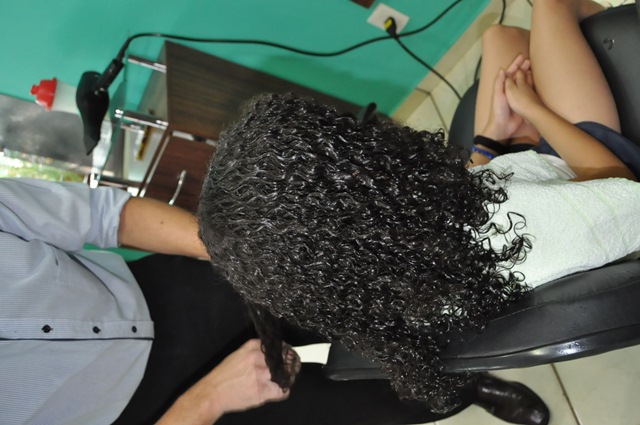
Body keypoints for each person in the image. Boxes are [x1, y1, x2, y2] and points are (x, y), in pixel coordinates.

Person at [197, 0, 640, 418]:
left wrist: (488, 141)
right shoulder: (515, 224)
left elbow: (448, 214)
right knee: (550, 5)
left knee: (499, 39)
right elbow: (619, 187)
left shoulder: (386, 285)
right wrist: (534, 110)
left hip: (513, 178)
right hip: (582, 164)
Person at [0, 177, 550, 425]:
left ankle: (462, 341)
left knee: (347, 290)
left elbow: (108, 217)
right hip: (152, 413)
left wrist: (228, 253)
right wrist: (205, 402)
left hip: (159, 293)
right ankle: (460, 391)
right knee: (357, 408)